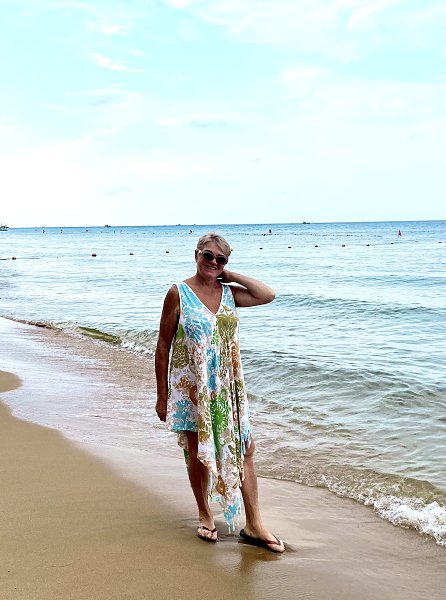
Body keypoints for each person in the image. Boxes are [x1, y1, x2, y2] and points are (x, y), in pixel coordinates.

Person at [155, 232, 285, 552]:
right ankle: (205, 515)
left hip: (228, 386)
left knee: (245, 447)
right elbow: (163, 345)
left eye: (220, 259)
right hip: (191, 387)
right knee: (197, 452)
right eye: (208, 256)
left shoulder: (229, 293)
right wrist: (162, 396)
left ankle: (254, 524)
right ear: (196, 255)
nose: (213, 262)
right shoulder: (178, 293)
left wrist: (231, 275)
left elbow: (267, 294)